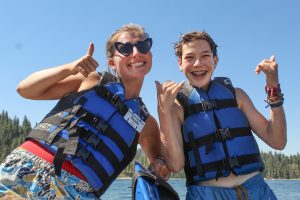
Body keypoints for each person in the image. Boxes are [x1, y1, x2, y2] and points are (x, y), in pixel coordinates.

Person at [0, 23, 170, 199]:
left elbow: (161, 169)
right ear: (112, 62)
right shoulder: (89, 80)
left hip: (76, 192)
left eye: (143, 46)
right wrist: (70, 68)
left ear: (150, 53)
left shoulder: (147, 124)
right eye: (125, 48)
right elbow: (25, 89)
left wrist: (160, 160)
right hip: (21, 168)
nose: (136, 53)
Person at [155, 31, 286, 200]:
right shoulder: (175, 107)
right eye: (189, 57)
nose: (198, 63)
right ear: (180, 63)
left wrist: (273, 87)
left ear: (214, 61)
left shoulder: (237, 95)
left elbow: (277, 141)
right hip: (206, 195)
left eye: (205, 56)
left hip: (257, 191)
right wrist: (163, 111)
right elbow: (175, 164)